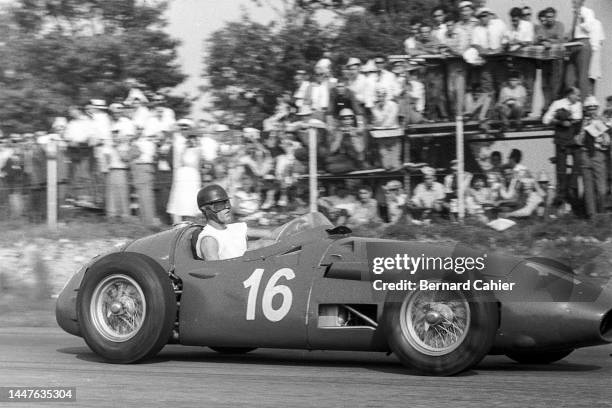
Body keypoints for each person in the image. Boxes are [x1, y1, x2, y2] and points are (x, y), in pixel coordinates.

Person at [543, 87, 583, 203]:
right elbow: (545, 119)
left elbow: (577, 118)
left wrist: (568, 119)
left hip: (573, 139)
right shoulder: (557, 103)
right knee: (561, 168)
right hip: (561, 138)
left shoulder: (578, 105)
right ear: (570, 94)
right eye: (576, 95)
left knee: (578, 159)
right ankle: (563, 194)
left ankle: (573, 185)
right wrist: (559, 121)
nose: (578, 97)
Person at [195, 184, 247, 261]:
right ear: (205, 210)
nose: (227, 208)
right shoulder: (209, 239)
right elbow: (216, 271)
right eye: (219, 205)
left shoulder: (237, 227)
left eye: (227, 203)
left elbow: (268, 235)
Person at [534, 7, 566, 111]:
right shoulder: (541, 27)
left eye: (551, 16)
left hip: (556, 60)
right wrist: (543, 41)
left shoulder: (559, 25)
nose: (549, 19)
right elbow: (537, 39)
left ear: (555, 16)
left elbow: (560, 39)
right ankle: (546, 106)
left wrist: (547, 41)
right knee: (544, 85)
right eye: (547, 17)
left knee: (555, 84)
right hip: (545, 60)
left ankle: (554, 107)